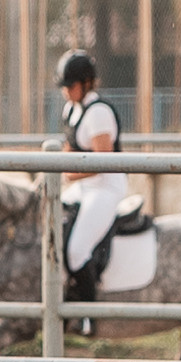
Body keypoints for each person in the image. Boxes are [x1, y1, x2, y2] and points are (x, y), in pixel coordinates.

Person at [57, 49, 124, 332]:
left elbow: (102, 161)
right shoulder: (71, 110)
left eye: (69, 85)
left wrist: (69, 172)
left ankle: (88, 315)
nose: (65, 91)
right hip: (82, 187)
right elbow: (68, 149)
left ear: (85, 83)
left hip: (105, 187)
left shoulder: (98, 113)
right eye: (63, 85)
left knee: (76, 250)